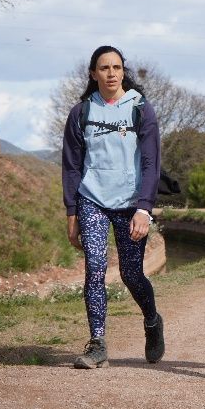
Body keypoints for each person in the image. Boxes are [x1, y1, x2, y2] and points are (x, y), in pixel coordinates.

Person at [61, 45, 164, 369]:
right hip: (92, 199)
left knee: (132, 274)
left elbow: (151, 163)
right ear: (93, 73)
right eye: (104, 68)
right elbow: (72, 166)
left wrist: (144, 208)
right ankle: (98, 343)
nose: (111, 73)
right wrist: (71, 212)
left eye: (116, 67)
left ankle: (151, 321)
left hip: (131, 203)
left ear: (123, 71)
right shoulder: (82, 112)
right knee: (94, 267)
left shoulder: (139, 108)